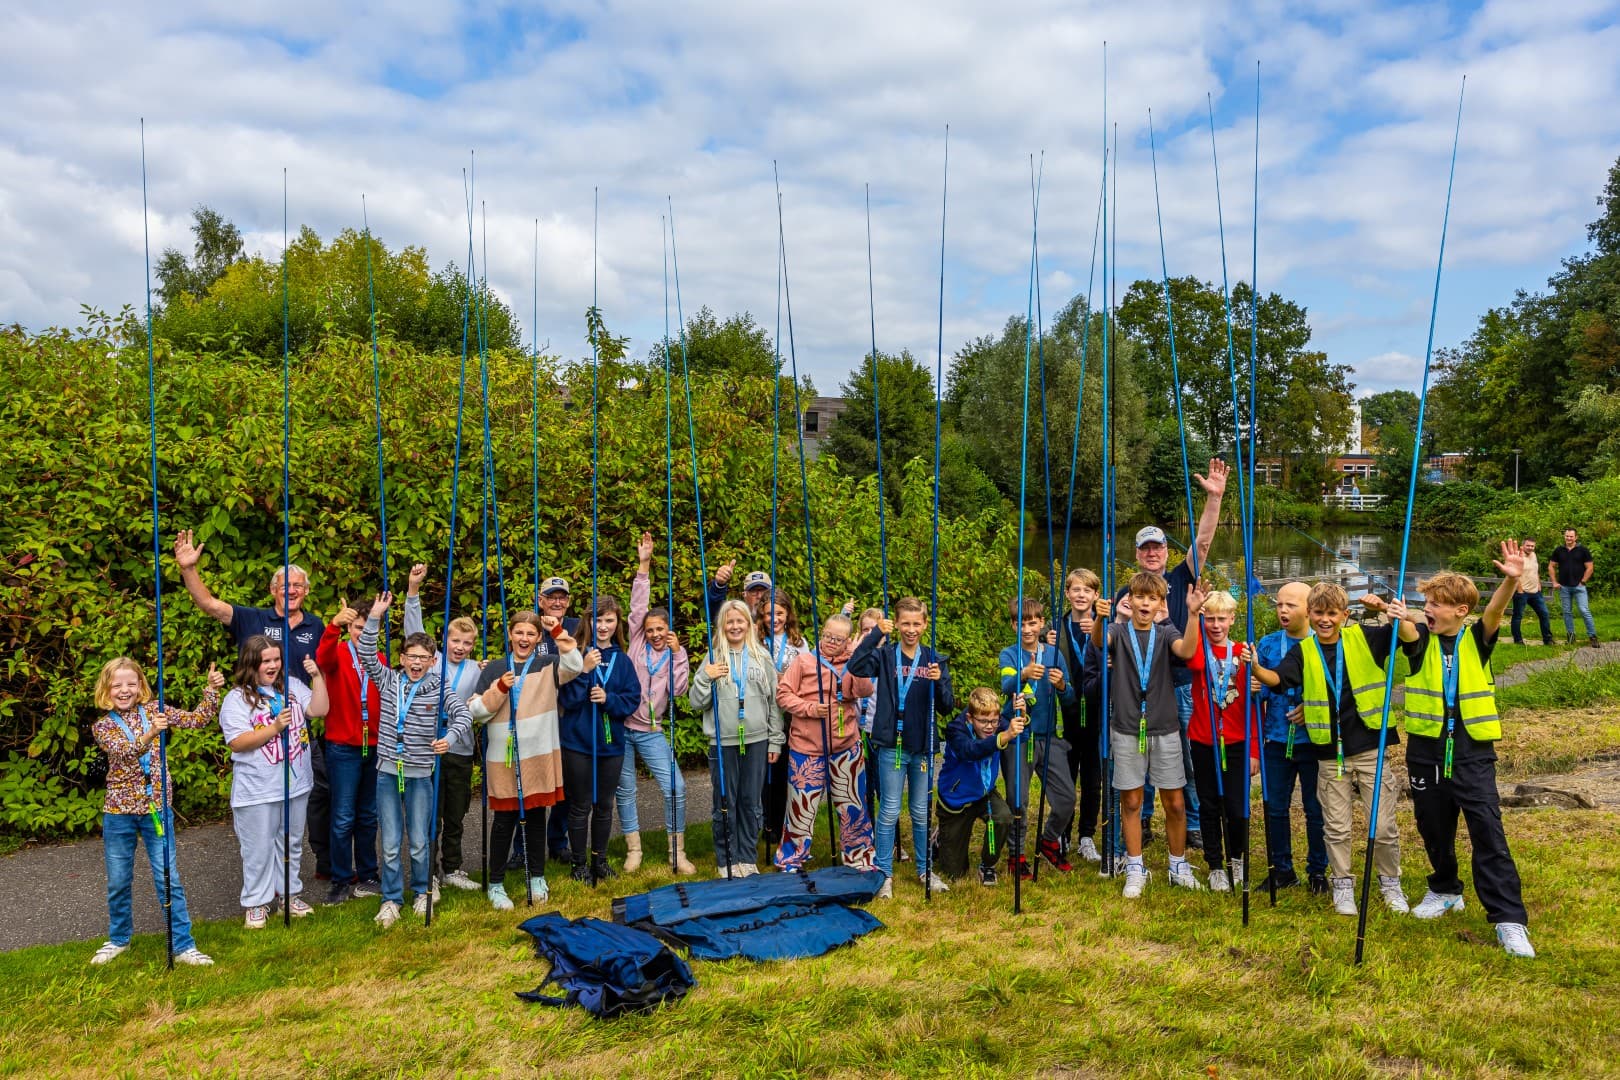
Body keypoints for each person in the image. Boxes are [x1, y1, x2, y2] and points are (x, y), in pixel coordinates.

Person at [1248, 582, 1421, 917]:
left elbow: (1411, 636)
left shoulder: (1364, 637)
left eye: (1331, 614)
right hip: (1328, 752)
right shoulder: (1303, 651)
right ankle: (1342, 885)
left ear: (1344, 615)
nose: (1324, 620)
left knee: (1382, 825)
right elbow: (1277, 680)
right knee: (1337, 826)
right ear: (1310, 615)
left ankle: (1390, 884)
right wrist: (1255, 667)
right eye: (1318, 613)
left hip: (1370, 746)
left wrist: (1388, 610)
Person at [173, 530, 333, 880]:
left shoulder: (316, 625)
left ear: (305, 592)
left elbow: (326, 670)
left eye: (297, 586)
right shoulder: (252, 619)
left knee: (316, 792)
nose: (290, 591)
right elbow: (210, 604)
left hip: (300, 725)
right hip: (261, 727)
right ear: (273, 590)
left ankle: (323, 866)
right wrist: (189, 570)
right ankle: (260, 888)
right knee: (263, 808)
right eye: (283, 586)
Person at [1401, 549, 1536, 958]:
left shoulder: (1477, 637)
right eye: (1425, 603)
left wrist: (1512, 580)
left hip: (1472, 752)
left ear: (1461, 611)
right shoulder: (1420, 638)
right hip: (1424, 750)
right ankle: (1444, 890)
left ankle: (1509, 920)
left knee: (1487, 833)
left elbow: (1494, 611)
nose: (1428, 609)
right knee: (1433, 828)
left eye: (1436, 604)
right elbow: (1407, 629)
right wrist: (1400, 615)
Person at [1117, 458, 1229, 853]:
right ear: (1137, 554)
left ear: (1167, 551)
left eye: (1158, 546)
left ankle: (1194, 823)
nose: (1152, 553)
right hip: (1142, 693)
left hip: (1183, 685)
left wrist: (1214, 499)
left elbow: (1202, 542)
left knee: (1189, 757)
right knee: (1141, 762)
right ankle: (1143, 821)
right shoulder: (1127, 594)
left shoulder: (1184, 578)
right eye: (1144, 548)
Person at [90, 659, 223, 967]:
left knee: (168, 879)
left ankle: (184, 945)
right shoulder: (103, 726)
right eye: (117, 685)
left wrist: (212, 691)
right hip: (119, 812)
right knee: (118, 881)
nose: (125, 690)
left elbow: (197, 720)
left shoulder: (155, 710)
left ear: (141, 687)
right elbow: (125, 753)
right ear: (107, 691)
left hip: (157, 809)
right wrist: (151, 734)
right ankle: (119, 939)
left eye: (131, 684)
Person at [354, 593, 475, 927]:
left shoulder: (439, 687)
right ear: (403, 658)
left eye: (423, 657)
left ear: (433, 660)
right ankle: (391, 899)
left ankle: (422, 893)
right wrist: (376, 616)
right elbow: (365, 652)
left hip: (421, 773)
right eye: (411, 656)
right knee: (391, 844)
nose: (416, 663)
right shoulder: (388, 680)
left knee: (420, 842)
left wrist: (448, 739)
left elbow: (463, 714)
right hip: (388, 773)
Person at [1093, 572, 1208, 897]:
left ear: (1160, 603)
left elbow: (1186, 651)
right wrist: (1101, 619)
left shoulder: (1166, 631)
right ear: (1129, 600)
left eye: (1151, 598)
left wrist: (1195, 613)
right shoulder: (1116, 630)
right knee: (1130, 800)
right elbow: (1100, 643)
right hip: (1127, 727)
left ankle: (1177, 865)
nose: (1144, 603)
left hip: (1165, 727)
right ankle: (1134, 866)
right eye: (1138, 597)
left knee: (1174, 802)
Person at [470, 610, 583, 909]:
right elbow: (475, 711)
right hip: (502, 759)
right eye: (519, 632)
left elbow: (577, 664)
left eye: (530, 634)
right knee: (504, 821)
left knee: (535, 818)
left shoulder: (548, 664)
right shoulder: (494, 668)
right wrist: (500, 688)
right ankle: (495, 884)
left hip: (538, 756)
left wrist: (558, 631)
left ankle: (536, 877)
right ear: (510, 634)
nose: (524, 638)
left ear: (538, 638)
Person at [218, 636, 330, 928]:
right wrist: (274, 727)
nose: (272, 665)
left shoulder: (292, 686)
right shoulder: (237, 698)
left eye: (276, 659)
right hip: (257, 789)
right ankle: (256, 903)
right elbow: (238, 742)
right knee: (258, 849)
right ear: (251, 663)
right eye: (265, 660)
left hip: (296, 783)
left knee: (291, 844)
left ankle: (288, 895)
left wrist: (317, 677)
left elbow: (319, 710)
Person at [848, 596, 955, 898]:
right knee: (890, 810)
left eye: (916, 624)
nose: (911, 629)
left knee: (921, 811)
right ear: (896, 623)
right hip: (892, 744)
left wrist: (939, 682)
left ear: (924, 624)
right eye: (904, 623)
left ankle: (925, 869)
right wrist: (876, 634)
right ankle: (884, 874)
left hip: (922, 746)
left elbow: (947, 707)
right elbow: (856, 665)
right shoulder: (885, 655)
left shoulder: (934, 659)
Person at [402, 566, 485, 892]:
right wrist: (413, 590)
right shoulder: (432, 663)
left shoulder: (476, 671)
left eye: (467, 642)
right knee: (428, 815)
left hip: (460, 749)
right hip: (428, 747)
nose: (460, 646)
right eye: (455, 640)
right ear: (445, 640)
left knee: (455, 813)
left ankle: (452, 868)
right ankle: (429, 874)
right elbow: (414, 630)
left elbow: (488, 698)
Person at [774, 613, 878, 872]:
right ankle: (792, 858)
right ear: (822, 634)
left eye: (839, 639)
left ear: (847, 641)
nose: (831, 642)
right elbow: (783, 695)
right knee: (801, 806)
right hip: (806, 747)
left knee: (853, 804)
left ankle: (858, 857)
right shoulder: (804, 661)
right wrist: (809, 708)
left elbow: (865, 691)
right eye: (828, 636)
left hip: (846, 747)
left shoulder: (853, 662)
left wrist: (858, 659)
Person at [690, 598, 782, 877]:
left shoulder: (762, 656)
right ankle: (727, 858)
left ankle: (747, 856)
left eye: (740, 621)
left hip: (757, 739)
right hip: (724, 741)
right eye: (729, 621)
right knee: (725, 801)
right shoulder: (714, 657)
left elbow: (774, 701)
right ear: (722, 625)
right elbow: (697, 702)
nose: (735, 626)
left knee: (751, 801)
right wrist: (705, 678)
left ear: (749, 625)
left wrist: (775, 738)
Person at [623, 532, 695, 874]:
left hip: (652, 731)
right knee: (625, 789)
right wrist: (644, 564)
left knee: (675, 786)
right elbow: (639, 605)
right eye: (650, 629)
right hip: (623, 727)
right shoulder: (635, 642)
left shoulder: (673, 654)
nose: (654, 634)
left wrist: (679, 655)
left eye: (660, 629)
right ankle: (633, 849)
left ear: (668, 630)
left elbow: (679, 691)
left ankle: (676, 852)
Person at [558, 596, 643, 885]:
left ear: (617, 623)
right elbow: (566, 699)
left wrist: (609, 699)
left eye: (609, 620)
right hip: (578, 742)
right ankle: (579, 864)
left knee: (604, 804)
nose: (603, 626)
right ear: (588, 621)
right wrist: (583, 671)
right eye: (598, 619)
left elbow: (632, 699)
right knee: (580, 804)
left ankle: (600, 859)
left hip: (610, 745)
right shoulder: (575, 654)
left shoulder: (623, 660)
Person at [1252, 581, 1329, 895]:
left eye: (1291, 605)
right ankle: (1281, 870)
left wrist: (1311, 707)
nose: (1283, 610)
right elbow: (1263, 690)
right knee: (1275, 807)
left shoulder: (1324, 643)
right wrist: (1255, 686)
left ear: (1309, 609)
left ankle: (1318, 872)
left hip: (1314, 742)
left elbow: (1336, 689)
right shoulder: (1269, 644)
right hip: (1277, 739)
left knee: (1316, 809)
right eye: (1279, 604)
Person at [1183, 589, 1258, 892]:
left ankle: (1236, 860)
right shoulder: (1200, 648)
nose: (1215, 625)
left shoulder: (1243, 652)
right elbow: (1195, 663)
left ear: (1232, 619)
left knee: (1237, 806)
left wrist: (1254, 749)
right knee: (1209, 804)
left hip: (1238, 741)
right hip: (1205, 740)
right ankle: (1215, 865)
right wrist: (1194, 618)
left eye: (1221, 619)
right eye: (1210, 619)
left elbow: (1255, 707)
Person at [998, 597, 1078, 878]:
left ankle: (1048, 840)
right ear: (1013, 625)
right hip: (1019, 736)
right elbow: (1006, 686)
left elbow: (1069, 699)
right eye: (1020, 623)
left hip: (1048, 736)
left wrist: (1062, 685)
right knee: (1017, 801)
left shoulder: (1055, 655)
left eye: (1032, 622)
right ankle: (1016, 854)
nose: (1027, 628)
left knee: (1067, 799)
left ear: (1042, 623)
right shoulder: (1009, 655)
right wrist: (1024, 673)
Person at [313, 601, 382, 905]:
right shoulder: (339, 653)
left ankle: (368, 873)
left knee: (368, 815)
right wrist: (334, 626)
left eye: (369, 629)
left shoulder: (380, 658)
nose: (362, 634)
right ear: (350, 629)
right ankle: (341, 878)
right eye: (357, 628)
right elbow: (322, 658)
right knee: (342, 816)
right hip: (343, 746)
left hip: (375, 745)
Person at [935, 687, 1022, 885]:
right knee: (954, 873)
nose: (989, 727)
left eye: (994, 721)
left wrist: (1022, 717)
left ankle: (987, 865)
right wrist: (1002, 737)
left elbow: (1019, 735)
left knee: (1003, 818)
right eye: (983, 721)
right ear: (969, 717)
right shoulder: (955, 729)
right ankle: (940, 838)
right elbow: (970, 751)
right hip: (956, 800)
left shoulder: (1000, 725)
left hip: (984, 793)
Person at [1053, 569, 1105, 864]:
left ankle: (1086, 835)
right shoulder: (1057, 627)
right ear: (1068, 594)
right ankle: (1063, 831)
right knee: (1066, 776)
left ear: (1096, 595)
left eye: (1087, 590)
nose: (1081, 595)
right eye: (1076, 590)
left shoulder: (1102, 624)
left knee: (1093, 778)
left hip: (1095, 709)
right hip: (1067, 709)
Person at [532, 576, 582, 866]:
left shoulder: (578, 627)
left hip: (569, 715)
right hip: (537, 716)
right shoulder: (532, 627)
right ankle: (523, 848)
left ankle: (557, 841)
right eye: (551, 597)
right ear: (541, 601)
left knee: (567, 784)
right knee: (534, 782)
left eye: (562, 597)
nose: (557, 602)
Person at [757, 590, 809, 854]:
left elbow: (808, 675)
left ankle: (789, 824)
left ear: (788, 613)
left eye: (778, 613)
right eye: (768, 613)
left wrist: (787, 678)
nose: (773, 618)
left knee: (788, 774)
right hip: (765, 716)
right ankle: (769, 824)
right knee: (769, 774)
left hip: (791, 717)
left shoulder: (798, 643)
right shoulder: (757, 640)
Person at [1547, 528, 1598, 647]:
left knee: (1584, 610)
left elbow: (1590, 567)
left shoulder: (1583, 550)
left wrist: (1583, 581)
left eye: (1571, 536)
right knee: (1566, 612)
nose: (1568, 538)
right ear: (1564, 537)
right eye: (1567, 536)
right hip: (1564, 587)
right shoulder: (1559, 550)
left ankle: (1593, 636)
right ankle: (1571, 637)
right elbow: (1551, 566)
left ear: (1576, 537)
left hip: (1579, 587)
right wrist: (1554, 582)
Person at [1510, 539, 1555, 647]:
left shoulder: (1533, 555)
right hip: (1522, 592)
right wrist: (1519, 589)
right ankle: (1518, 640)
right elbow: (1514, 574)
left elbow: (1535, 571)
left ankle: (1547, 639)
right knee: (1518, 616)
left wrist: (1539, 584)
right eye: (1528, 545)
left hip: (1535, 592)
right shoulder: (1518, 556)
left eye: (1532, 546)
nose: (1530, 548)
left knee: (1544, 614)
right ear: (1523, 545)